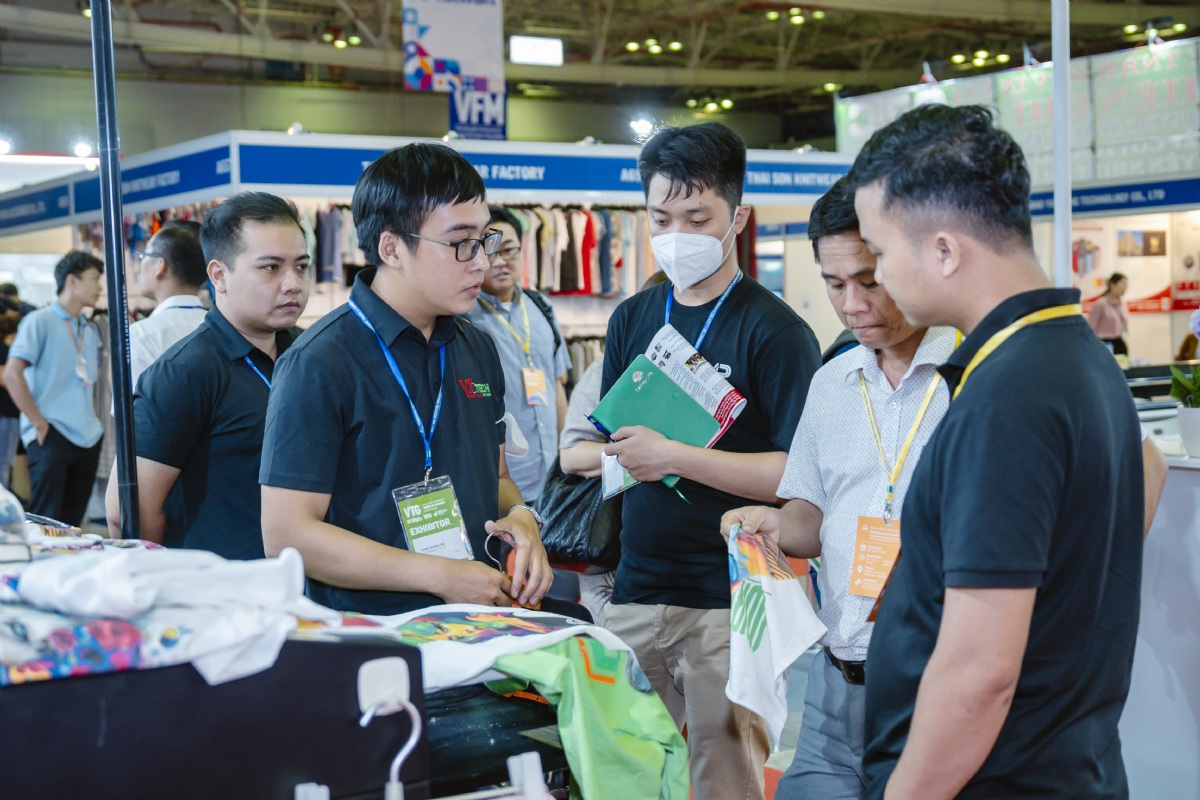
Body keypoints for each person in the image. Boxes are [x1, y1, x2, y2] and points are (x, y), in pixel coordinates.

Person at [848, 103, 1143, 799]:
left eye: (879, 253)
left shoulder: (1010, 398)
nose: (877, 277)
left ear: (944, 251)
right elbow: (1146, 474)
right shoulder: (1075, 354)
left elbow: (980, 674)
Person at [599, 121, 821, 800]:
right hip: (635, 590)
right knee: (626, 781)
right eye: (661, 219)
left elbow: (796, 475)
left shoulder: (776, 331)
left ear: (738, 218)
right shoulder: (632, 318)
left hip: (729, 600)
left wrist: (676, 456)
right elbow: (614, 440)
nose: (677, 235)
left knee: (725, 783)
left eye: (697, 219)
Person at [718, 176, 958, 799]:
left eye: (869, 282)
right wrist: (773, 524)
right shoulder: (832, 382)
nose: (851, 305)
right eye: (834, 284)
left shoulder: (969, 380)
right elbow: (810, 516)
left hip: (931, 686)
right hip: (833, 682)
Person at [259, 142, 553, 614]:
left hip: (475, 620)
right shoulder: (319, 363)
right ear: (392, 248)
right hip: (370, 634)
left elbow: (496, 475)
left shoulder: (476, 347)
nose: (481, 261)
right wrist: (439, 576)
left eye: (485, 240)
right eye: (461, 243)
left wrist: (521, 518)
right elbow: (287, 534)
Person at [103, 192, 310, 557]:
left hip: (311, 579)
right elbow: (127, 511)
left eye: (301, 266)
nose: (292, 282)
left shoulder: (311, 354)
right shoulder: (184, 373)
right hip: (224, 584)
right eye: (271, 267)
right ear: (219, 275)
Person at [559, 272, 669, 625]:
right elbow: (570, 455)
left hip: (682, 560)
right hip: (614, 553)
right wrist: (632, 453)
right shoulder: (613, 366)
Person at [466, 206, 571, 502]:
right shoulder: (464, 319)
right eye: (491, 252)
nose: (500, 262)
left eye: (509, 250)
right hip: (500, 484)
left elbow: (557, 385)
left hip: (552, 478)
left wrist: (566, 457)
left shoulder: (541, 307)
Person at [2, 251, 104, 526]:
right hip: (51, 433)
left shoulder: (88, 329)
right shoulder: (40, 320)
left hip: (88, 436)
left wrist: (95, 421)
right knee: (45, 522)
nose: (99, 287)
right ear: (72, 281)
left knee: (72, 525)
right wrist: (38, 423)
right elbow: (12, 374)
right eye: (94, 279)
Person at [126, 221, 209, 390]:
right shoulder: (225, 328)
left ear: (160, 265)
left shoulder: (141, 336)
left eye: (143, 256)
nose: (141, 264)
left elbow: (131, 405)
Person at [0, 316, 21, 489]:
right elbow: (5, 377)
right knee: (4, 464)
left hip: (7, 414)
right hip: (6, 414)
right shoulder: (5, 350)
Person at [1087, 271, 1129, 355]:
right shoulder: (1101, 304)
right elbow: (1091, 327)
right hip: (1104, 343)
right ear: (1112, 285)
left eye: (1126, 285)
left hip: (1118, 342)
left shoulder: (1122, 304)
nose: (1125, 288)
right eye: (1123, 284)